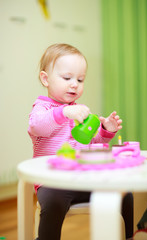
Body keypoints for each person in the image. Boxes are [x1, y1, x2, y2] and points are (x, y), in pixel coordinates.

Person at [28, 43, 132, 240]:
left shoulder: (80, 110)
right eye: (67, 78)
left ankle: (131, 236)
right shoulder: (42, 108)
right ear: (45, 79)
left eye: (80, 79)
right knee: (53, 204)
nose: (74, 83)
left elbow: (93, 144)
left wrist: (105, 130)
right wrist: (63, 112)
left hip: (85, 179)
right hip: (53, 182)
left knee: (124, 193)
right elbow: (37, 126)